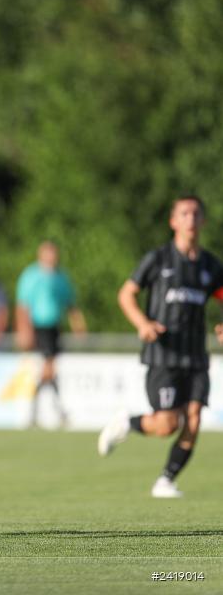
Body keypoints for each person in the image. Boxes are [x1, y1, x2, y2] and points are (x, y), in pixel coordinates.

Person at [98, 195, 223, 498]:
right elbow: (126, 294)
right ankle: (128, 422)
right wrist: (142, 323)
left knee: (193, 418)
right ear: (173, 221)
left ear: (202, 221)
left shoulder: (209, 265)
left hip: (195, 356)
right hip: (163, 355)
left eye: (195, 214)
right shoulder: (158, 259)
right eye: (184, 214)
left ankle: (166, 479)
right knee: (167, 424)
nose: (190, 219)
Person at [15, 241, 86, 427]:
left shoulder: (61, 277)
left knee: (49, 370)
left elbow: (70, 303)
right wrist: (24, 330)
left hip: (55, 326)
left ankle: (36, 411)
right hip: (39, 326)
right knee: (49, 368)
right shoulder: (32, 276)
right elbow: (23, 305)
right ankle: (52, 410)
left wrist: (77, 324)